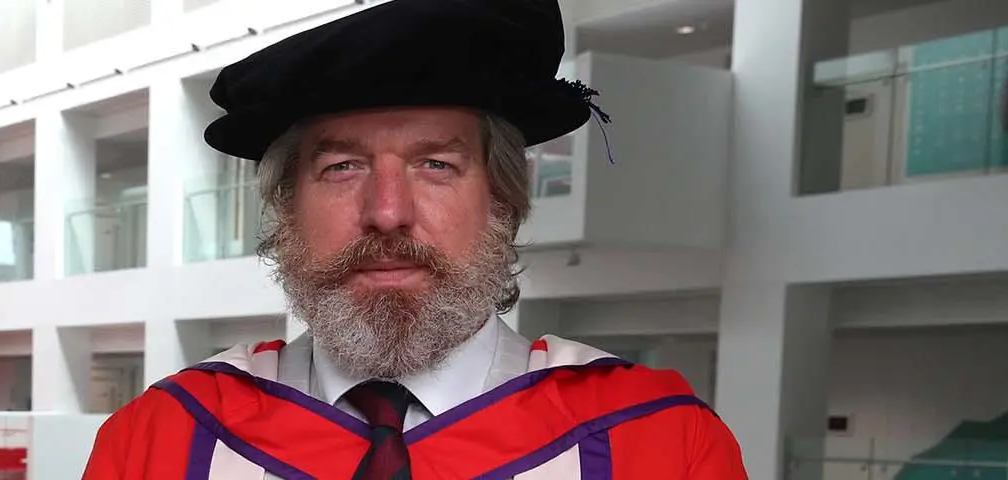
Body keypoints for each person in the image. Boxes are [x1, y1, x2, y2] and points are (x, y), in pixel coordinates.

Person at [81, 0, 746, 478]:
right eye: (342, 167)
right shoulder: (162, 440)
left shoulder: (655, 441)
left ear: (504, 200)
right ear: (286, 209)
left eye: (437, 165)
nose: (389, 212)